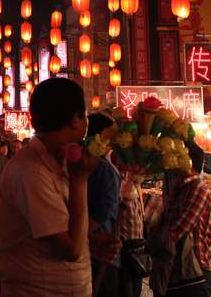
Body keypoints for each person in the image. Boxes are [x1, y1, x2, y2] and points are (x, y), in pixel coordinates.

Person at [0, 77, 118, 296]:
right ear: (75, 120)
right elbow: (70, 249)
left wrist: (91, 241)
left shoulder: (57, 162)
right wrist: (79, 180)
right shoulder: (32, 171)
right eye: (85, 116)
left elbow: (53, 230)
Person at [152, 141, 211, 296]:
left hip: (194, 272)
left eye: (176, 156)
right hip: (176, 271)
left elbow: (175, 232)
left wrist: (155, 236)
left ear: (188, 161)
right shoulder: (179, 188)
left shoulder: (198, 190)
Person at [86, 113, 122, 297]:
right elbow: (104, 211)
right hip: (101, 253)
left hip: (87, 251)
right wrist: (84, 238)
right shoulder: (105, 170)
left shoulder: (78, 164)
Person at [116, 154, 146, 297]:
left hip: (137, 245)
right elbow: (120, 203)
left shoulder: (134, 180)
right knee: (127, 290)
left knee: (136, 289)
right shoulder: (116, 178)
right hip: (124, 247)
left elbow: (140, 212)